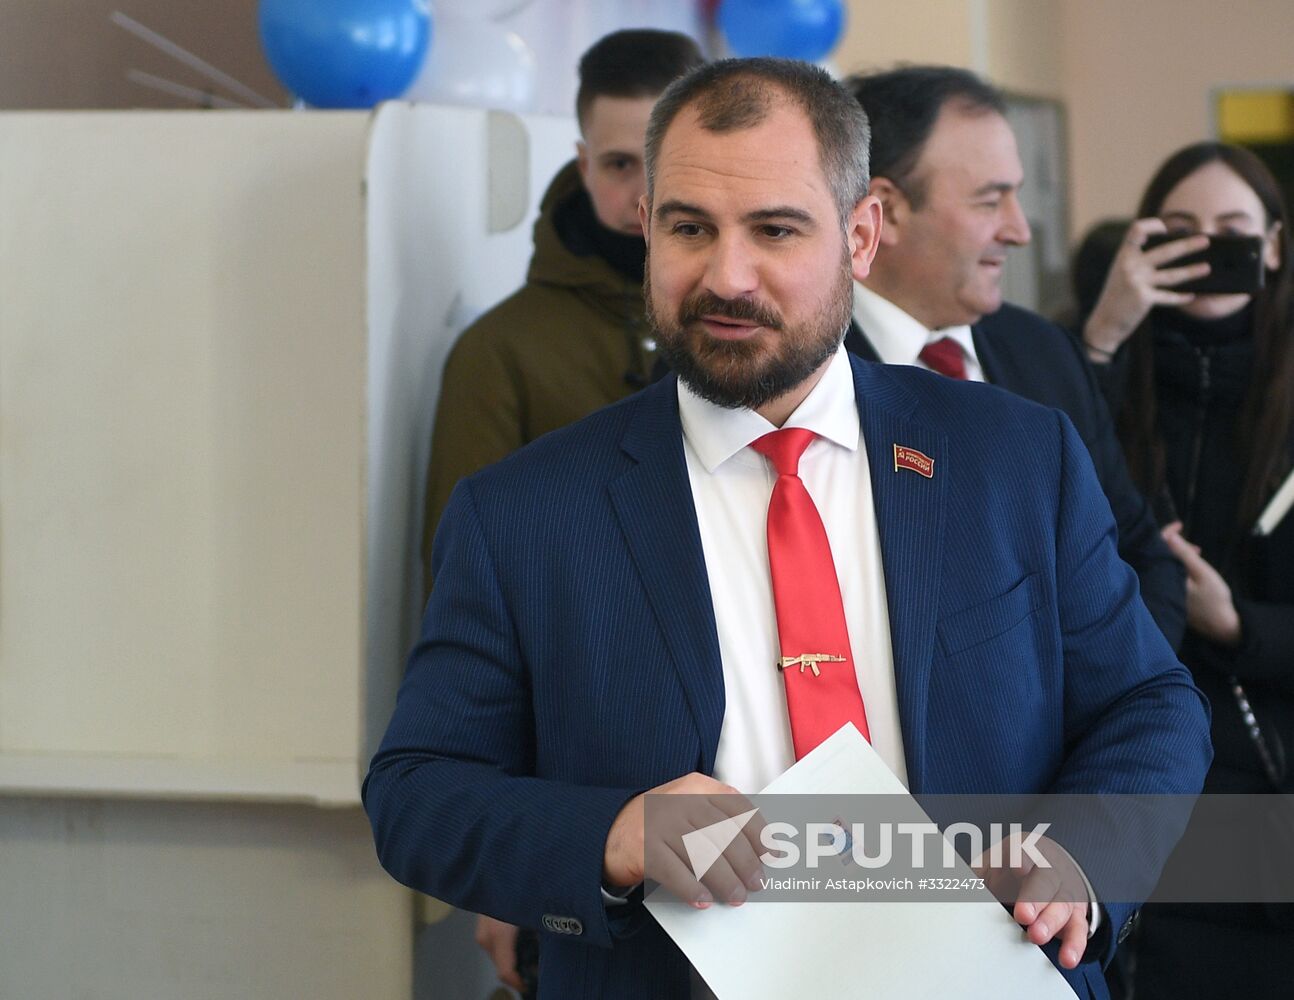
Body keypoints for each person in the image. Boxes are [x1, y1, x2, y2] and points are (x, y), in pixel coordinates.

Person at [365, 58, 1211, 999]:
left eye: (775, 229)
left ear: (860, 236)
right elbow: (417, 796)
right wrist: (616, 834)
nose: (727, 276)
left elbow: (1151, 706)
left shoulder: (1016, 456)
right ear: (645, 229)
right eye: (689, 227)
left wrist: (1083, 859)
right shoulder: (524, 512)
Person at [842, 66, 1186, 649]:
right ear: (886, 211)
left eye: (1017, 195)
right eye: (990, 200)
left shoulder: (1046, 353)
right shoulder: (801, 376)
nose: (1020, 230)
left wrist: (1120, 711)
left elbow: (1140, 554)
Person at [1078, 141, 1294, 999]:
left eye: (1234, 232)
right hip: (1124, 758)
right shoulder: (1092, 365)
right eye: (1180, 232)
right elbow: (1033, 474)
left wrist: (1238, 625)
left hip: (1265, 766)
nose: (1208, 250)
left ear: (1275, 246)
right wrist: (1104, 333)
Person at [420, 28, 705, 584]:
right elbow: (464, 587)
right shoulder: (499, 350)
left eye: (665, 160)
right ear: (583, 166)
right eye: (620, 164)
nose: (645, 194)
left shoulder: (755, 320)